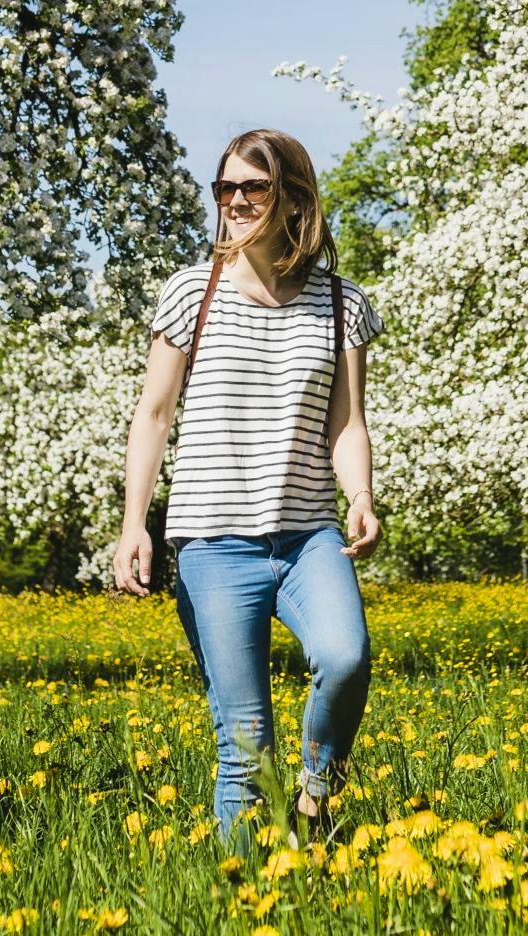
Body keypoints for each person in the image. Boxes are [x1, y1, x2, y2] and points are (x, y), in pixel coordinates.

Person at [115, 128, 382, 839]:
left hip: (307, 536)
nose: (233, 201)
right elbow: (153, 414)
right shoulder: (189, 292)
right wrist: (132, 524)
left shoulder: (341, 305)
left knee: (346, 658)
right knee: (245, 742)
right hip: (211, 543)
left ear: (293, 199)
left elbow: (347, 424)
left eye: (252, 188)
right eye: (224, 188)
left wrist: (360, 497)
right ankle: (238, 896)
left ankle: (316, 798)